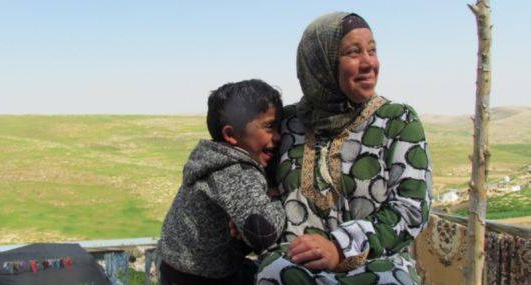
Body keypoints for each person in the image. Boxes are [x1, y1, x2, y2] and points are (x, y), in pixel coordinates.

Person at [254, 12, 432, 285]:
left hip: (376, 265)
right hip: (295, 265)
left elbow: (412, 208)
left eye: (372, 51)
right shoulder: (285, 122)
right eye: (353, 52)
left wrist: (340, 246)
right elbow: (258, 185)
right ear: (320, 64)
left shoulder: (397, 120)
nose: (369, 62)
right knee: (274, 275)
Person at [157, 79, 286, 285]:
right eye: (269, 127)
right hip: (202, 278)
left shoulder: (213, 159)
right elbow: (263, 233)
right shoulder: (235, 172)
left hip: (177, 269)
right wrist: (277, 197)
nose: (278, 137)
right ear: (231, 134)